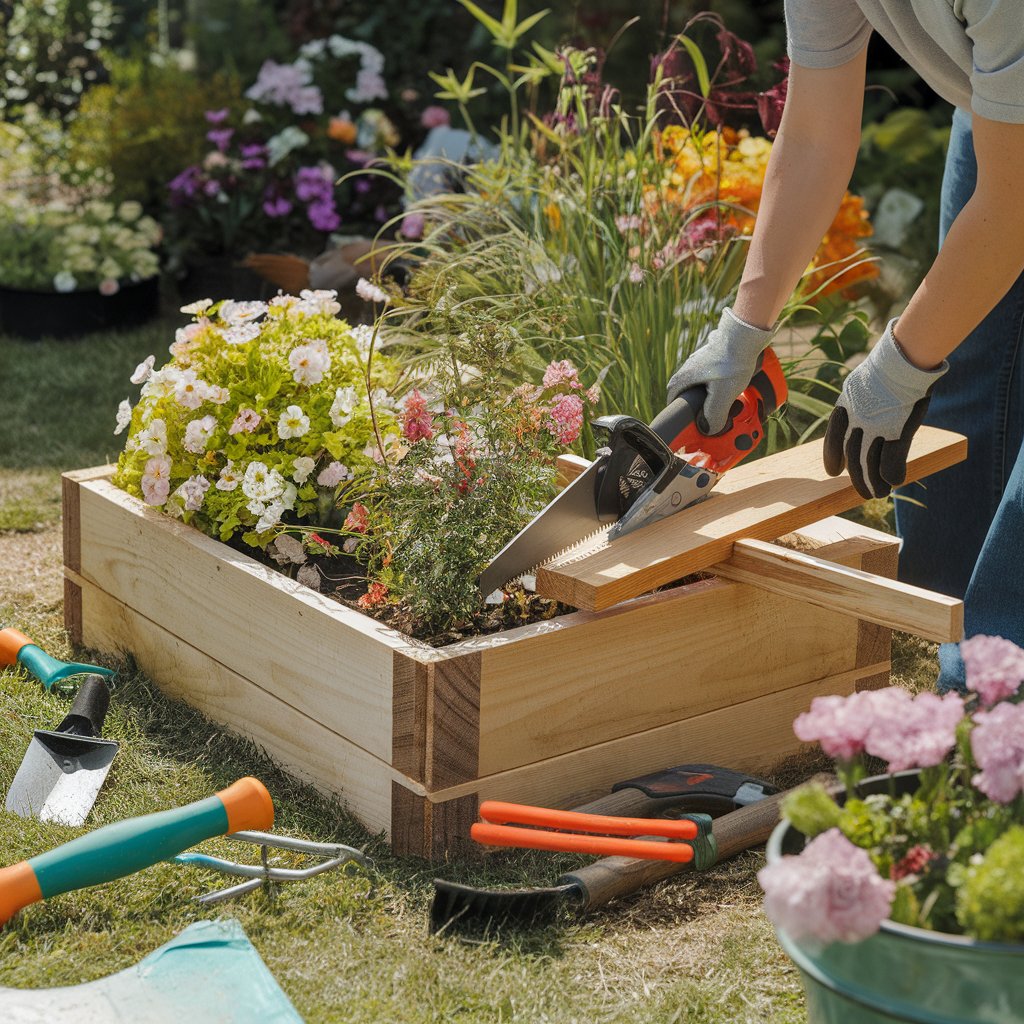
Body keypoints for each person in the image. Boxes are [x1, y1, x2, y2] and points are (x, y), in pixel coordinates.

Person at [667, 1, 1024, 693]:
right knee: (968, 366)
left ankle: (1004, 704)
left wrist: (899, 362)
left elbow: (1014, 203)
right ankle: (940, 651)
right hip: (1002, 107)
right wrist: (742, 331)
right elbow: (813, 138)